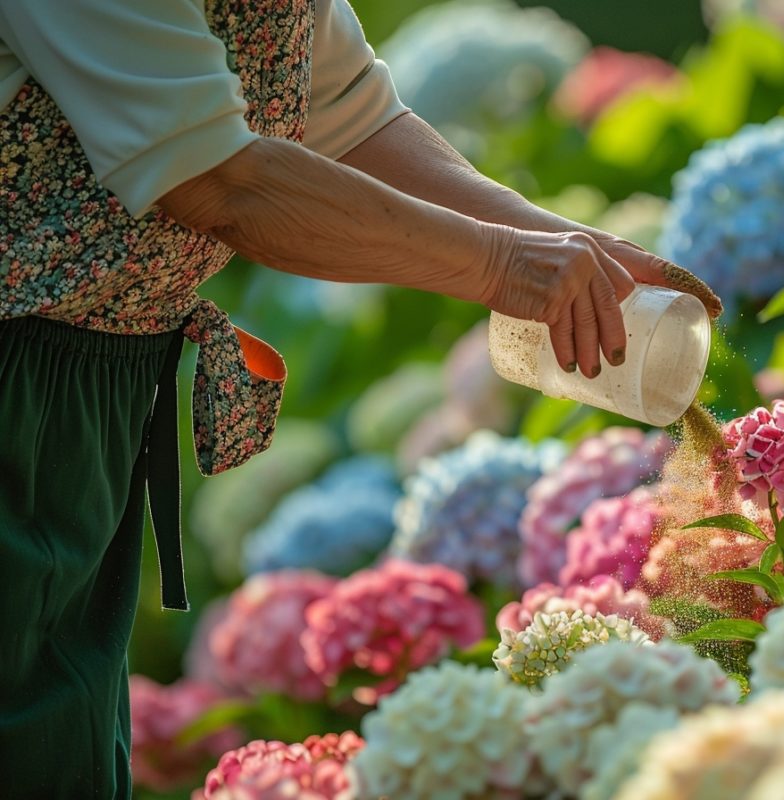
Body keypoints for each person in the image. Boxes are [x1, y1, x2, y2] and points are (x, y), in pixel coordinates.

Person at [0, 1, 721, 796]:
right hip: (13, 380)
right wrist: (499, 266)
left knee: (59, 741)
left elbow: (348, 117)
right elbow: (216, 180)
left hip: (91, 387)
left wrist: (566, 247)